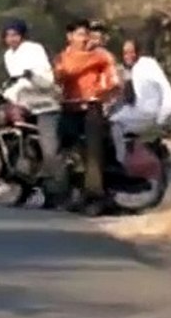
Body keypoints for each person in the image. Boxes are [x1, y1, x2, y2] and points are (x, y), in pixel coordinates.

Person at [52, 19, 122, 212]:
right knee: (67, 151)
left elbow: (114, 82)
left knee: (93, 154)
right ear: (70, 37)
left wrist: (102, 95)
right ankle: (71, 192)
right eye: (81, 35)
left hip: (92, 107)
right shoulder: (62, 57)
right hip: (69, 107)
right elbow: (59, 76)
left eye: (87, 35)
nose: (85, 39)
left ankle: (95, 197)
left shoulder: (102, 56)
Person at [0, 19, 60, 183]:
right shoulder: (8, 55)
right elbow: (14, 80)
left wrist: (28, 78)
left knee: (49, 147)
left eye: (15, 35)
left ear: (22, 35)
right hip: (25, 103)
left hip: (44, 103)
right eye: (8, 35)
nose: (12, 39)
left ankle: (55, 179)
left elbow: (42, 77)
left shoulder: (34, 49)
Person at [109, 38, 171, 166]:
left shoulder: (147, 65)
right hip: (142, 112)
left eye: (131, 52)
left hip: (148, 113)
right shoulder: (130, 70)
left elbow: (165, 87)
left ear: (138, 52)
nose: (128, 56)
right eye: (125, 53)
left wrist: (165, 113)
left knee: (113, 122)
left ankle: (122, 161)